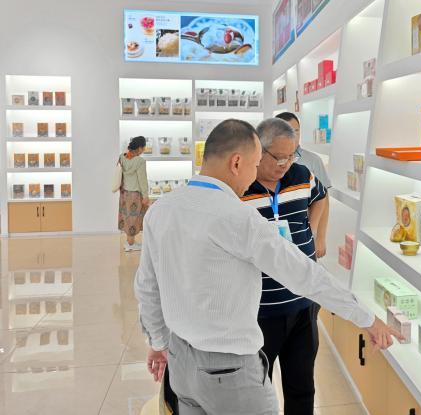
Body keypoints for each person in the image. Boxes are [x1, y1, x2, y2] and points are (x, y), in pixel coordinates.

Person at [134, 119, 400, 415]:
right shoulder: (237, 217)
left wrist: (158, 342)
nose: (254, 175)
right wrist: (367, 319)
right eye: (255, 164)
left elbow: (147, 287)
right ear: (237, 163)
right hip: (230, 371)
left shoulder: (160, 210)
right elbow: (303, 274)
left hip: (180, 363)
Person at [242, 118, 329, 415]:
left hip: (304, 305)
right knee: (257, 389)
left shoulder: (302, 175)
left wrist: (312, 231)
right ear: (258, 150)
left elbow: (321, 197)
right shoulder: (240, 186)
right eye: (278, 157)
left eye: (290, 156)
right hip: (260, 309)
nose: (285, 164)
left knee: (302, 386)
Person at [276, 112, 330, 258]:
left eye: (296, 131)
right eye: (287, 131)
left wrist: (319, 237)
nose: (293, 136)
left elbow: (323, 200)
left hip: (304, 236)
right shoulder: (268, 161)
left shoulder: (313, 160)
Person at [118, 136, 149, 252]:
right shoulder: (140, 161)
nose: (144, 150)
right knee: (134, 218)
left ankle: (129, 241)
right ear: (140, 148)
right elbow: (142, 180)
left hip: (124, 193)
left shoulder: (122, 157)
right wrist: (145, 195)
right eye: (144, 148)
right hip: (135, 194)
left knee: (127, 217)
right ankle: (130, 244)